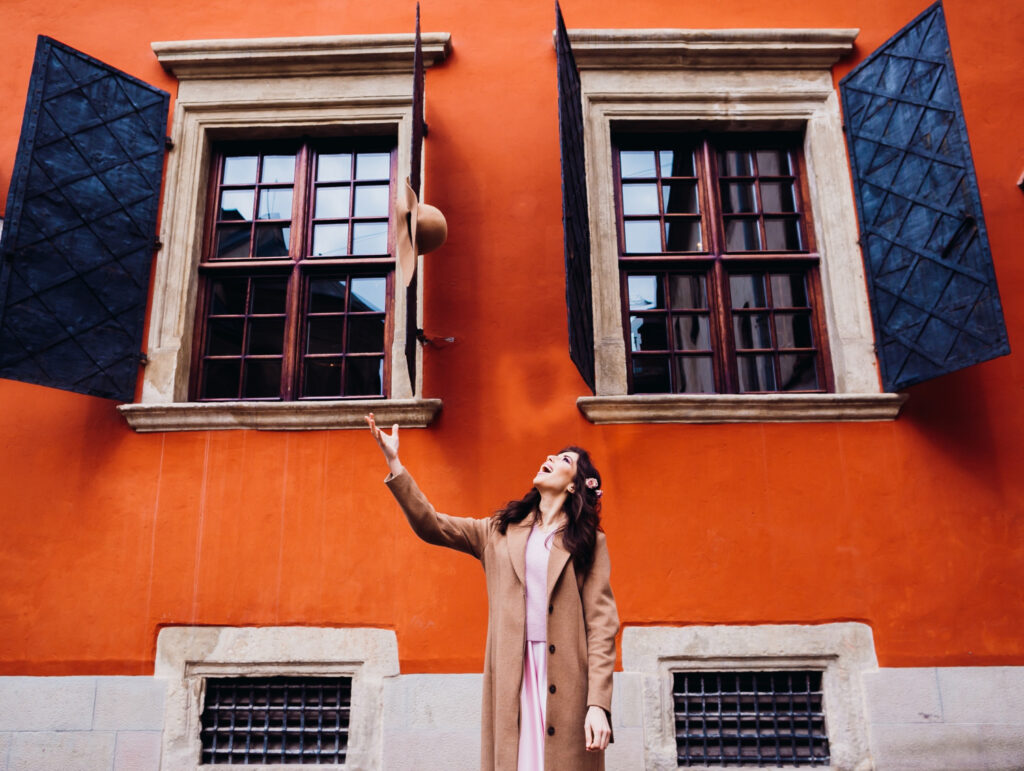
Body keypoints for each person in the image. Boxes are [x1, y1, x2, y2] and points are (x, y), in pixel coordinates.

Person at [366, 413, 619, 770]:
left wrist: (598, 704)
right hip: (512, 673)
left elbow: (602, 626)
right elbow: (431, 524)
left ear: (575, 486)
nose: (549, 458)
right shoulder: (497, 532)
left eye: (564, 460)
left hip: (566, 676)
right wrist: (396, 464)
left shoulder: (589, 543)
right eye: (552, 455)